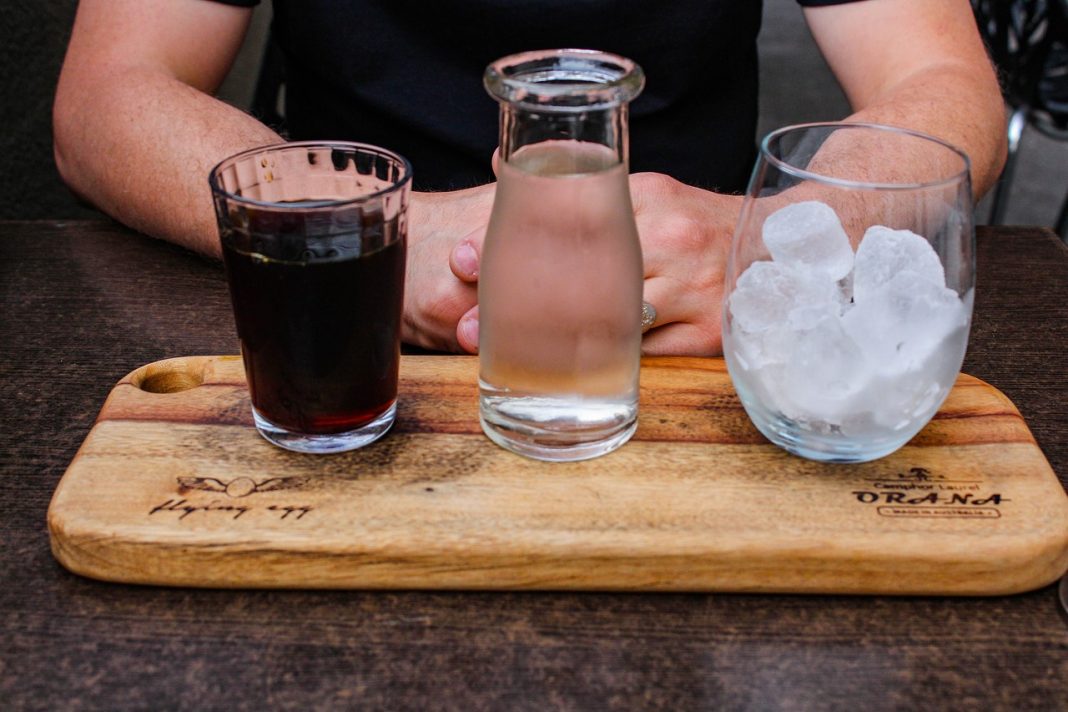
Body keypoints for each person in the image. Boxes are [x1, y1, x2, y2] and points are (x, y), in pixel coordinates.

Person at [53, 0, 1006, 356]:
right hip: (343, 324)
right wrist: (380, 231)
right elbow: (107, 94)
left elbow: (940, 81)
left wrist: (768, 240)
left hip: (691, 334)